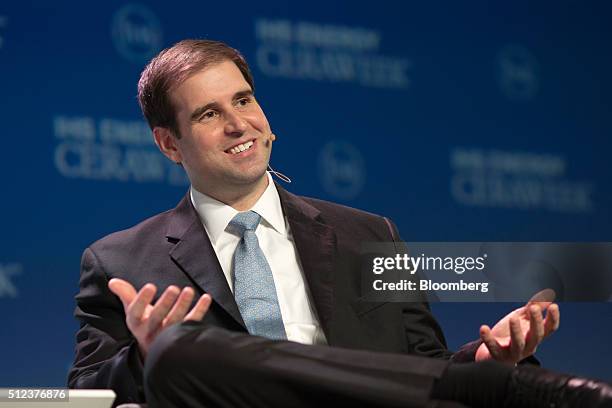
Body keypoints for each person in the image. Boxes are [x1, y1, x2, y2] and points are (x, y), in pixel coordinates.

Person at [68, 39, 612, 408]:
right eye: (209, 114)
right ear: (168, 144)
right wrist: (145, 353)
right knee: (182, 351)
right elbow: (85, 398)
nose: (240, 125)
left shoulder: (368, 235)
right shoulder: (120, 262)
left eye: (244, 100)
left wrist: (485, 359)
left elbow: (420, 367)